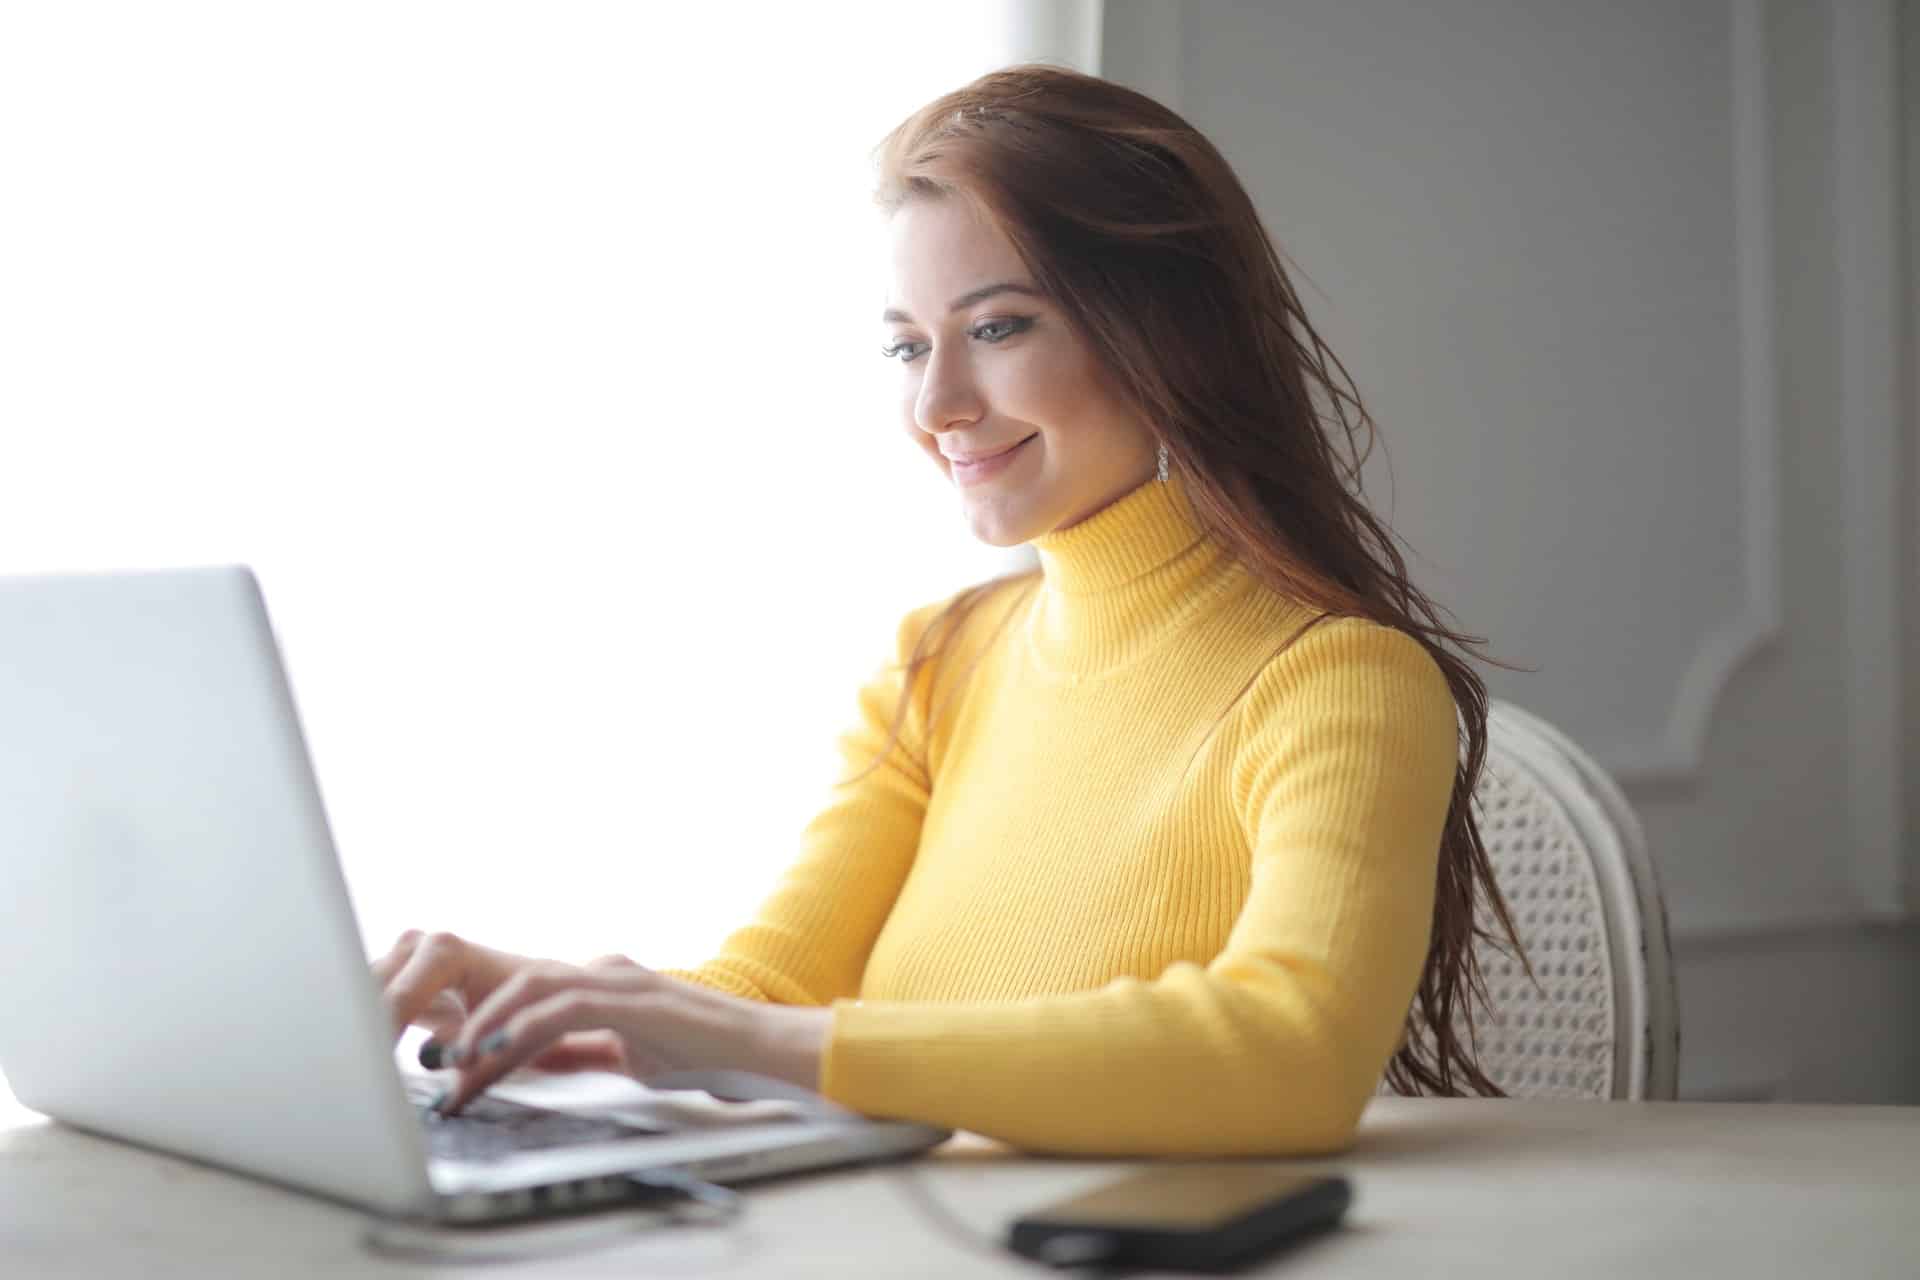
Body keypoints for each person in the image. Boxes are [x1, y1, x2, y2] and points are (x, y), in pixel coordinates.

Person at [371, 63, 1532, 1157]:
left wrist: (750, 1043)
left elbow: (1294, 1054)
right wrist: (550, 999)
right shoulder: (942, 659)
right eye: (906, 344)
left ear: (1169, 336)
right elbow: (771, 990)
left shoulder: (1341, 682)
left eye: (997, 327)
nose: (937, 404)